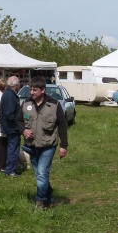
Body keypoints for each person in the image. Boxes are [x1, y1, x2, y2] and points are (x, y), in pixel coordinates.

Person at [18, 77, 68, 209]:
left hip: (48, 146)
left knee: (41, 174)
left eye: (35, 90)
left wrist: (63, 145)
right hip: (31, 146)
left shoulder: (54, 105)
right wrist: (23, 130)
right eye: (31, 89)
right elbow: (18, 121)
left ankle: (39, 201)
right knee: (41, 175)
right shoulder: (25, 104)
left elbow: (63, 125)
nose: (32, 92)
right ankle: (49, 198)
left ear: (43, 90)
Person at [0, 75, 23, 177]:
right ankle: (10, 171)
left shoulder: (9, 93)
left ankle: (11, 169)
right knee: (13, 149)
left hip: (11, 127)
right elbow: (10, 114)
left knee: (12, 148)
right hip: (12, 128)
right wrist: (18, 125)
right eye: (19, 85)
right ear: (16, 85)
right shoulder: (10, 95)